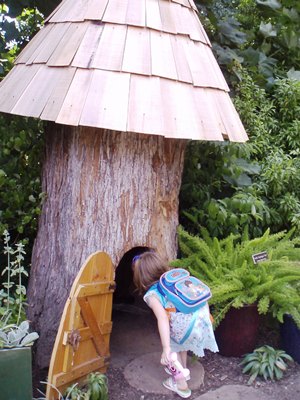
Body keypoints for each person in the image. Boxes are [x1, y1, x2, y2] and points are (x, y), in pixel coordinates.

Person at [132, 250, 218, 399]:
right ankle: (184, 369)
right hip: (203, 318)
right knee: (179, 340)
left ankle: (181, 384)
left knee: (172, 350)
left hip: (188, 325)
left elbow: (162, 319)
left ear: (140, 277)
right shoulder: (173, 283)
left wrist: (166, 349)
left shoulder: (152, 295)